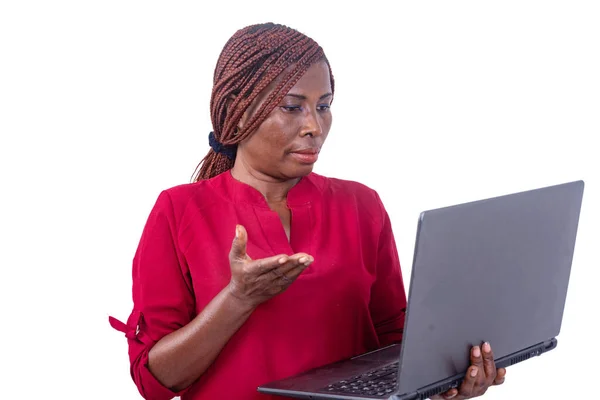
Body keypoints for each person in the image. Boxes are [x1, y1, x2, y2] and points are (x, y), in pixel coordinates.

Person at [109, 22, 507, 400]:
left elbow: (394, 340)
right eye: (292, 107)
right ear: (238, 110)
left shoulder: (361, 205)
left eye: (324, 105)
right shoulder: (179, 211)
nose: (315, 126)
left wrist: (447, 379)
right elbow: (154, 381)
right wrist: (238, 299)